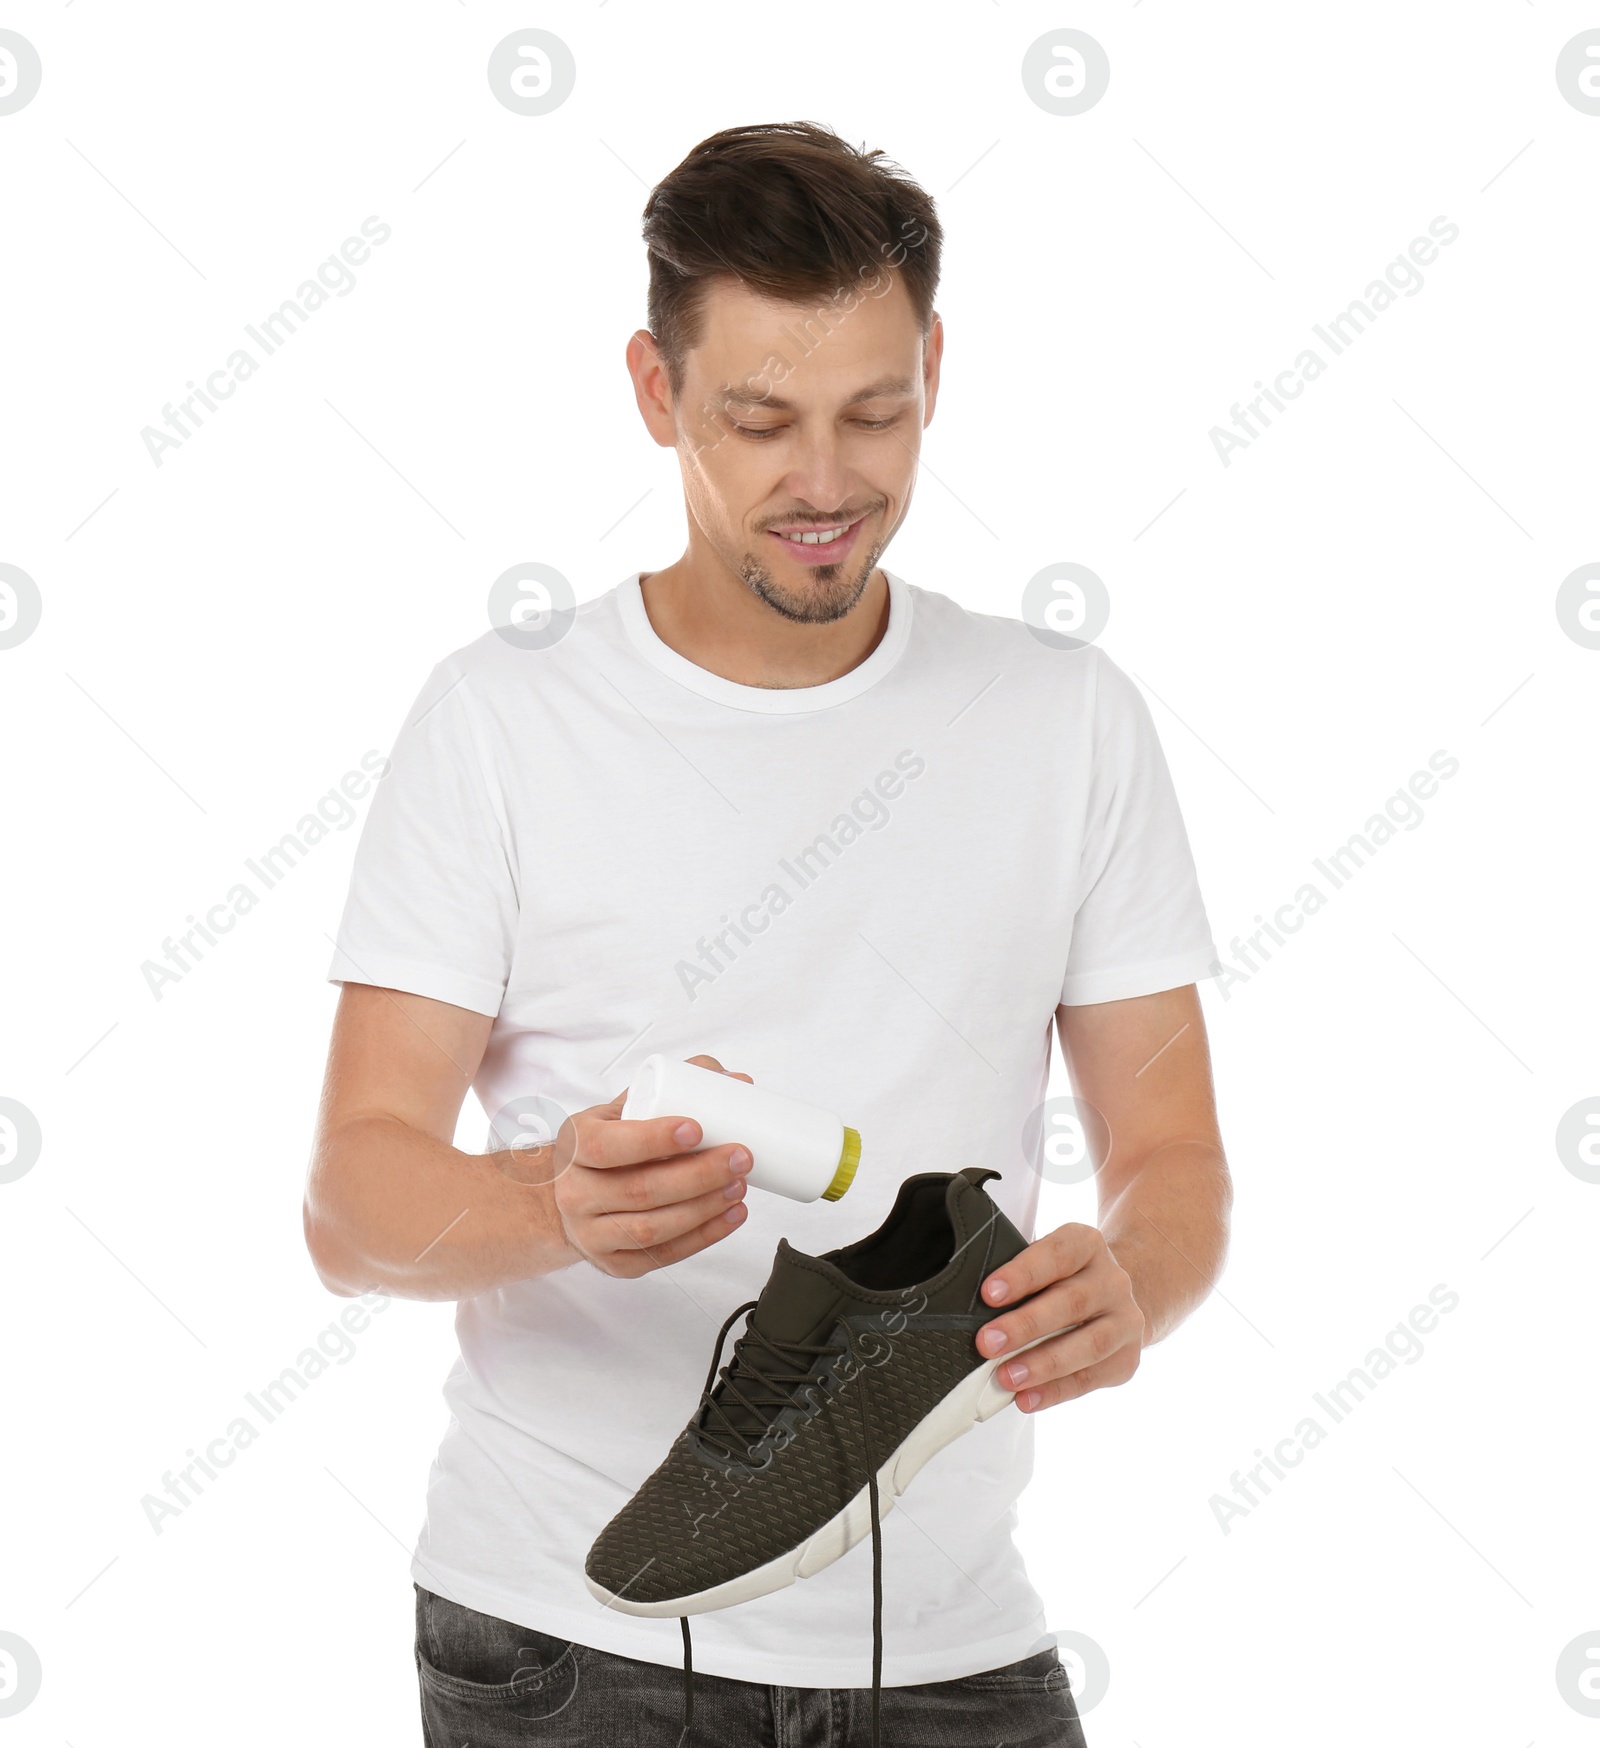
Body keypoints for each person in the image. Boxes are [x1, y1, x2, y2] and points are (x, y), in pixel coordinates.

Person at [304, 119, 1231, 1747]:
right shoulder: (502, 723)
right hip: (565, 1637)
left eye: (875, 412)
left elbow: (1177, 1161)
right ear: (658, 395)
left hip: (952, 1644)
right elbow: (352, 1207)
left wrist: (1134, 1283)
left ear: (935, 367)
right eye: (761, 420)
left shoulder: (1067, 718)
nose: (825, 484)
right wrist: (553, 1201)